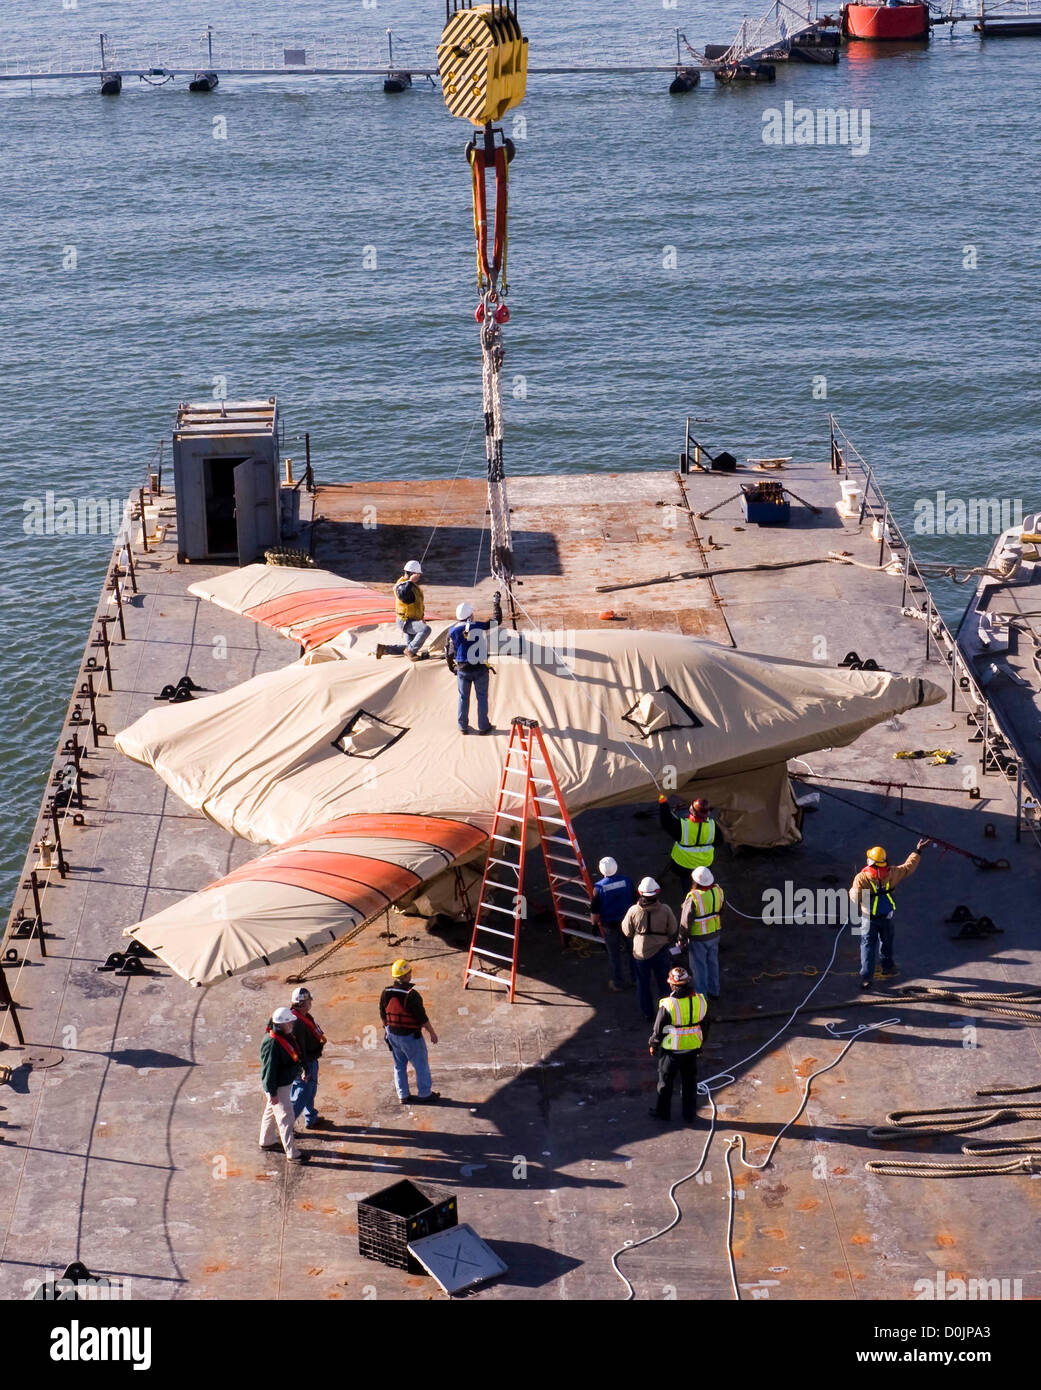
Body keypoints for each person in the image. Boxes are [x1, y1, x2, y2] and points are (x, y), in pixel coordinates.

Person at [849, 840, 930, 989]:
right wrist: (918, 851)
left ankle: (866, 978)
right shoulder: (892, 873)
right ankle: (887, 967)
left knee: (867, 947)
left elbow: (854, 898)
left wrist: (856, 892)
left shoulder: (862, 878)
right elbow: (908, 868)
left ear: (870, 861)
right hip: (886, 917)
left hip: (868, 919)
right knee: (886, 943)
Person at [648, 966, 708, 1123]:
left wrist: (654, 1045)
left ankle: (663, 1113)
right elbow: (705, 1025)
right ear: (688, 982)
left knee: (665, 1083)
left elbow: (658, 1029)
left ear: (671, 984)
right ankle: (689, 1114)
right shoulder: (700, 1001)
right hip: (692, 1049)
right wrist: (700, 1045)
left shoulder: (668, 1005)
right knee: (689, 1082)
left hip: (671, 1051)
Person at [378, 959, 441, 1104]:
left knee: (399, 1065)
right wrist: (432, 1032)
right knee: (421, 1065)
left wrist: (387, 1030)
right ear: (407, 976)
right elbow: (422, 1017)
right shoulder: (412, 995)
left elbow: (383, 1014)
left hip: (393, 1035)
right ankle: (425, 1094)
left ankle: (403, 1095)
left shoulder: (385, 992)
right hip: (410, 1037)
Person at [620, 877, 681, 1021]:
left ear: (640, 893)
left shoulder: (633, 911)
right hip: (661, 951)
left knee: (643, 985)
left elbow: (627, 932)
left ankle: (648, 1013)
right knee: (664, 984)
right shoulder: (665, 909)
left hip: (641, 954)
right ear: (657, 893)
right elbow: (672, 929)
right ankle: (666, 1013)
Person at [445, 593, 501, 734]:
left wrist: (453, 668)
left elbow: (449, 653)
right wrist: (496, 603)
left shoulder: (452, 631)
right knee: (481, 697)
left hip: (463, 669)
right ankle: (483, 726)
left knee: (463, 698)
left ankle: (462, 726)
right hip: (480, 668)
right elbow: (497, 621)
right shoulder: (477, 625)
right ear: (470, 616)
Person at [259, 1007, 310, 1163]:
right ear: (282, 1024)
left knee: (271, 1110)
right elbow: (269, 1070)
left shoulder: (284, 1035)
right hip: (278, 1086)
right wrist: (273, 1093)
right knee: (286, 1118)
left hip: (282, 1083)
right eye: (290, 1022)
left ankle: (266, 1141)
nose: (293, 1024)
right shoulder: (273, 1043)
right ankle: (292, 1153)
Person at [590, 855, 637, 992]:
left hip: (609, 925)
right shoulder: (627, 881)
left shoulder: (599, 887)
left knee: (614, 954)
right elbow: (635, 901)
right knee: (632, 951)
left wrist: (594, 925)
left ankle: (618, 982)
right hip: (627, 922)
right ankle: (635, 979)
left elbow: (595, 910)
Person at [681, 865, 725, 999]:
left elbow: (685, 921)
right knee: (713, 962)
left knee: (699, 968)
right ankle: (714, 990)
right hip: (715, 933)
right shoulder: (718, 890)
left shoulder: (693, 897)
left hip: (698, 937)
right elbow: (722, 909)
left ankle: (702, 996)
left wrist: (681, 939)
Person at [290, 986, 329, 1129]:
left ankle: (311, 1117)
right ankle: (286, 1127)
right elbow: (299, 1049)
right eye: (308, 1000)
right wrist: (305, 1068)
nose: (311, 1003)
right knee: (302, 1095)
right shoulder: (297, 1023)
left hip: (310, 1060)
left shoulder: (302, 1016)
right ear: (302, 1003)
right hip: (305, 1064)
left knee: (309, 1091)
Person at [658, 795, 716, 889]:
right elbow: (719, 841)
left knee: (686, 883)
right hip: (705, 865)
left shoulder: (682, 826)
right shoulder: (713, 826)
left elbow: (666, 822)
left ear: (691, 811)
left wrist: (663, 803)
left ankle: (689, 897)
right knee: (702, 885)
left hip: (683, 865)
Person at [376, 560, 430, 660]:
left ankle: (384, 649)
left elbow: (417, 604)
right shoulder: (401, 585)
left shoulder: (412, 585)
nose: (419, 576)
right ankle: (409, 651)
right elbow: (404, 596)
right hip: (406, 621)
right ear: (412, 574)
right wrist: (410, 581)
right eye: (417, 574)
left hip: (413, 620)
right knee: (425, 630)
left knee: (411, 646)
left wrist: (421, 617)